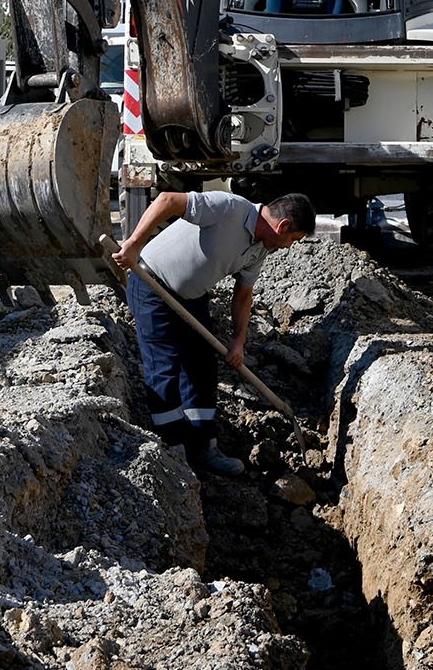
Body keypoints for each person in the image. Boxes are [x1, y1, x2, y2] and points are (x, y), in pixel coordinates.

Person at [111, 189, 317, 476]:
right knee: (164, 366)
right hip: (151, 284)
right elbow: (167, 200)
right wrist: (134, 243)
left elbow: (243, 295)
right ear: (282, 227)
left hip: (192, 297)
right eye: (291, 240)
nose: (288, 247)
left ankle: (203, 448)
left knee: (202, 365)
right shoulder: (229, 208)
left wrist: (238, 340)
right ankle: (173, 456)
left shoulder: (260, 248)